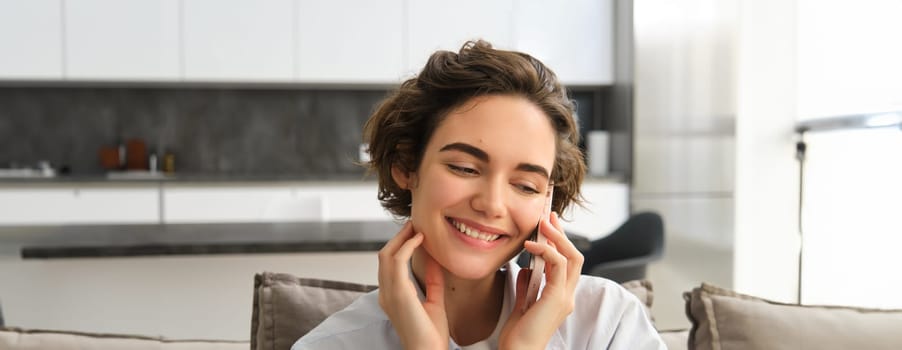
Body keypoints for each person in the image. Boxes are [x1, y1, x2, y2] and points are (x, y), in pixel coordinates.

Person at [292, 40, 665, 349]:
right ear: (407, 166)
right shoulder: (332, 344)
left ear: (547, 200)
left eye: (525, 186)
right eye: (465, 168)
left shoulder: (607, 322)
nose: (491, 204)